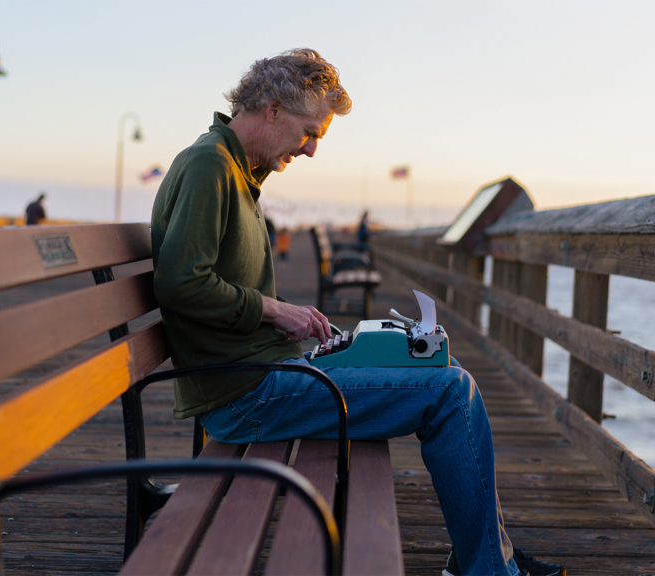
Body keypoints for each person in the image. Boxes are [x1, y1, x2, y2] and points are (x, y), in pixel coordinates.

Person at [150, 49, 565, 576]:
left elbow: (200, 277)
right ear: (272, 109)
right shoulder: (212, 165)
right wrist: (276, 311)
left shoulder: (236, 169)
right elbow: (181, 282)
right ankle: (486, 567)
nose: (313, 149)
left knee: (440, 370)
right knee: (449, 393)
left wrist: (281, 315)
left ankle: (485, 556)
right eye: (309, 131)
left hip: (268, 373)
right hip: (246, 396)